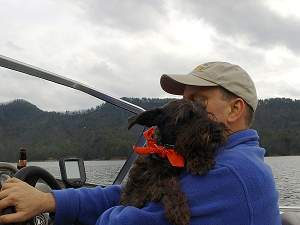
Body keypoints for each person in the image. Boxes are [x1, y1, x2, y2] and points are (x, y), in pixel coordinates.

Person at [0, 62, 281, 225]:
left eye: (199, 102)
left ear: (234, 110)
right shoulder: (203, 159)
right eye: (185, 103)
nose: (187, 112)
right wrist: (47, 200)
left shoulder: (229, 172)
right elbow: (126, 193)